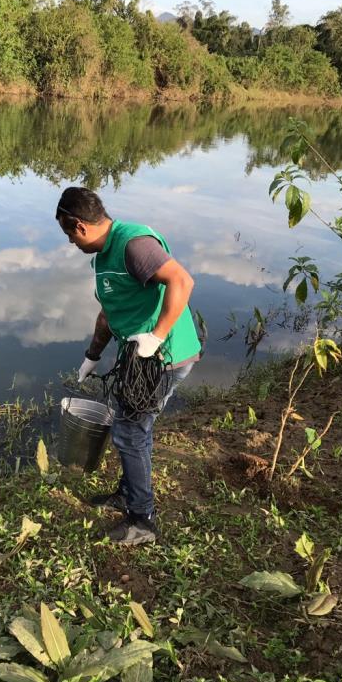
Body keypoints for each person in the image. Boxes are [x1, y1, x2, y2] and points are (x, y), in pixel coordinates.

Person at [56, 186, 201, 545]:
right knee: (131, 425)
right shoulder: (104, 256)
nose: (71, 244)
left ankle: (142, 520)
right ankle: (127, 493)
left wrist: (156, 336)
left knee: (131, 431)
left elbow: (182, 281)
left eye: (68, 235)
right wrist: (92, 355)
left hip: (163, 357)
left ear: (79, 226)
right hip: (139, 357)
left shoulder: (134, 244)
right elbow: (109, 311)